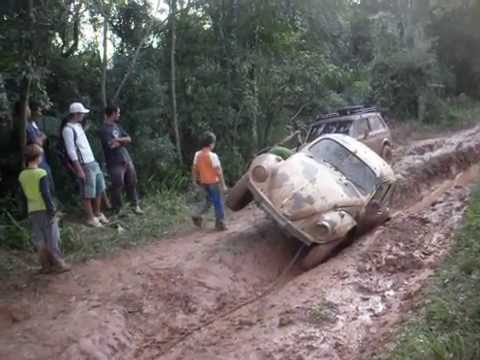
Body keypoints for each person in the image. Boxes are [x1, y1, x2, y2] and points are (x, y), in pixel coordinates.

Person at [18, 144, 70, 273]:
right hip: (45, 209)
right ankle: (59, 263)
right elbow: (46, 194)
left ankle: (45, 265)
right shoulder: (41, 173)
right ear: (38, 158)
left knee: (39, 239)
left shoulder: (22, 175)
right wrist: (52, 210)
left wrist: (24, 212)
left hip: (32, 210)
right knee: (52, 237)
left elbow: (22, 196)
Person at [62, 102, 109, 227]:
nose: (84, 115)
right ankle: (89, 217)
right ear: (76, 114)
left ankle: (98, 213)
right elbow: (71, 151)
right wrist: (79, 169)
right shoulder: (68, 129)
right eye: (82, 113)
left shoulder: (78, 125)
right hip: (84, 164)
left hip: (92, 161)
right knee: (87, 193)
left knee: (99, 188)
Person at [98, 103, 143, 214]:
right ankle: (118, 210)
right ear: (112, 113)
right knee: (117, 185)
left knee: (132, 182)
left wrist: (118, 140)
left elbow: (129, 138)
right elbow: (111, 145)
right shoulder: (103, 129)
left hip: (126, 158)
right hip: (114, 162)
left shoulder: (116, 126)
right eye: (117, 113)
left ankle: (135, 205)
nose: (119, 115)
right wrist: (122, 141)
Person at [191, 131, 227, 231]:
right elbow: (219, 172)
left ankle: (198, 216)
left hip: (203, 183)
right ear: (211, 144)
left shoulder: (197, 154)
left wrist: (194, 181)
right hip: (213, 183)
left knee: (208, 201)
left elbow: (194, 168)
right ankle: (220, 223)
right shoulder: (213, 156)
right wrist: (223, 185)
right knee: (218, 202)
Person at [26, 101, 55, 192]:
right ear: (31, 111)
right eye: (39, 111)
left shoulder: (35, 124)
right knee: (44, 187)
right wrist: (42, 137)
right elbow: (38, 142)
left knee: (50, 185)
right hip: (37, 162)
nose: (40, 113)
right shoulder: (27, 126)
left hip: (43, 159)